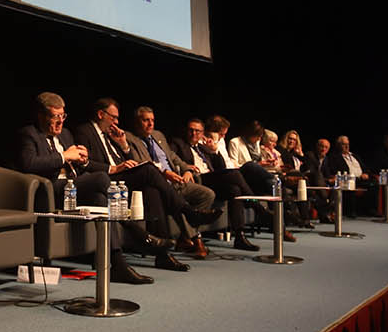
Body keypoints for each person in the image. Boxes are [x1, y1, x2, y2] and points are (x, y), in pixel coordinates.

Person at [14, 92, 153, 284]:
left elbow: (78, 165)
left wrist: (83, 160)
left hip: (74, 189)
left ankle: (117, 264)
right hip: (51, 192)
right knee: (101, 178)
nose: (60, 122)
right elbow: (28, 163)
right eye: (55, 116)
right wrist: (64, 156)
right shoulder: (29, 134)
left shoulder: (65, 134)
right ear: (41, 116)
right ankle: (136, 230)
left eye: (63, 116)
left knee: (100, 199)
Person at [74, 99, 191, 272]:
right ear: (100, 114)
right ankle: (185, 210)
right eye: (113, 117)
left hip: (121, 181)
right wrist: (113, 168)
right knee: (150, 169)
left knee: (152, 191)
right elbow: (83, 163)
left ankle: (163, 256)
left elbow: (127, 161)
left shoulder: (111, 134)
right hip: (104, 179)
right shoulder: (85, 132)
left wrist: (123, 145)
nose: (116, 122)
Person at [126, 107, 219, 259]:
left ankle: (184, 237)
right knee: (179, 202)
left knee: (207, 194)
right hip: (158, 185)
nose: (150, 124)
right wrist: (164, 173)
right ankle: (196, 240)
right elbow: (140, 163)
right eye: (146, 120)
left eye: (152, 120)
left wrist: (187, 170)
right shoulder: (130, 138)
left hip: (177, 180)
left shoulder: (158, 135)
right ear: (137, 122)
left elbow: (172, 156)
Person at [171, 119, 260, 251]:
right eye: (191, 130)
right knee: (235, 174)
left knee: (234, 189)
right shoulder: (178, 143)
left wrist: (214, 151)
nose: (194, 133)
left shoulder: (203, 147)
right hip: (198, 179)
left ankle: (239, 237)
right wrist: (186, 168)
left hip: (211, 179)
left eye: (197, 131)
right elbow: (171, 159)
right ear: (186, 130)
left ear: (202, 133)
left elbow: (221, 168)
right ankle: (257, 206)